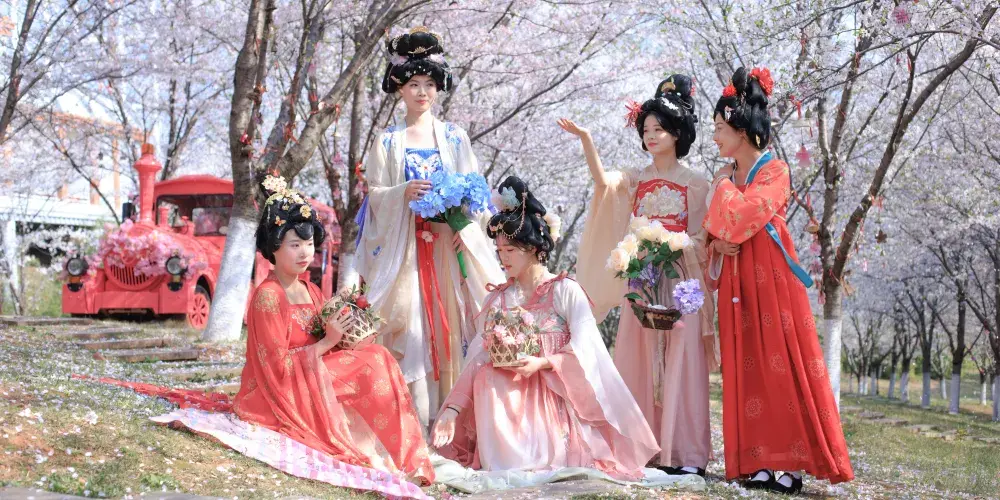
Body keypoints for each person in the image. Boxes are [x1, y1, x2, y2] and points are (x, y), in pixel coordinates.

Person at [431, 176, 659, 479]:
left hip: (554, 394)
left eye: (510, 251)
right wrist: (453, 409)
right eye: (499, 251)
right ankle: (504, 461)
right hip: (507, 396)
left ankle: (534, 457)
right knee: (487, 374)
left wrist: (543, 362)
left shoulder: (565, 290)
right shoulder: (499, 298)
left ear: (533, 248)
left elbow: (586, 347)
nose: (502, 259)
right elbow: (481, 356)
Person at [703, 66, 853, 493]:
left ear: (741, 129)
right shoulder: (728, 177)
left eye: (719, 129)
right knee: (746, 363)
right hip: (737, 277)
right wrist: (718, 244)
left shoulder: (775, 171)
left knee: (779, 362)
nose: (714, 137)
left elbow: (745, 215)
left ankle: (790, 461)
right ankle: (757, 460)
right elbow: (716, 229)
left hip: (770, 275)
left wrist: (722, 193)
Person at [233, 175, 434, 485]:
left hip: (312, 373)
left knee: (378, 354)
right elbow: (274, 370)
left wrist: (353, 328)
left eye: (309, 244)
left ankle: (411, 460)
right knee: (371, 365)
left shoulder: (310, 289)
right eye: (294, 245)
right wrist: (328, 342)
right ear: (274, 247)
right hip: (278, 391)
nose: (304, 253)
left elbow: (330, 340)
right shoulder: (269, 296)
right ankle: (407, 460)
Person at [565, 74, 717, 476]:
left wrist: (673, 243)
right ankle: (640, 448)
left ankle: (686, 453)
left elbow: (703, 238)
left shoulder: (697, 183)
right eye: (646, 129)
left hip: (682, 280)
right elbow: (602, 183)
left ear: (678, 133)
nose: (651, 136)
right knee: (637, 358)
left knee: (683, 359)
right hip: (643, 280)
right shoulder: (636, 179)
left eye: (659, 129)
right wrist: (586, 140)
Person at [355, 27, 505, 428]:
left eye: (429, 84)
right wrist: (402, 192)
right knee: (412, 328)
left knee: (453, 324)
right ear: (399, 89)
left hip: (446, 247)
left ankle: (452, 420)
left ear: (438, 89)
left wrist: (467, 229)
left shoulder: (455, 137)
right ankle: (412, 421)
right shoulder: (388, 142)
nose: (422, 92)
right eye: (413, 84)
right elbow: (375, 194)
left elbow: (474, 192)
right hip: (405, 252)